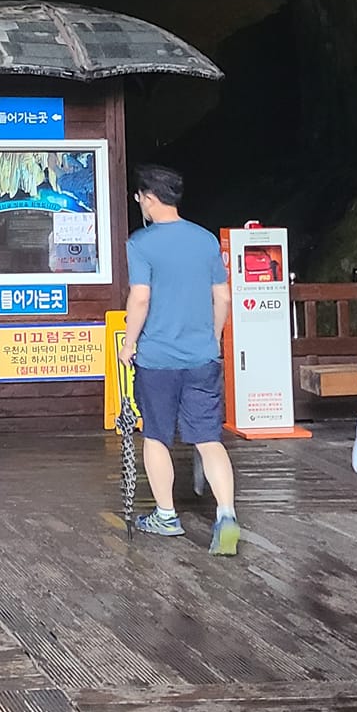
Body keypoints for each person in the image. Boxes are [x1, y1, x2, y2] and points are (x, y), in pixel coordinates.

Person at [124, 163, 240, 554]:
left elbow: (141, 298)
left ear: (149, 199)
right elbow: (222, 296)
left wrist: (128, 344)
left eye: (139, 198)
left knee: (156, 436)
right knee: (208, 438)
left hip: (158, 359)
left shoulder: (141, 243)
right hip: (202, 357)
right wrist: (212, 337)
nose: (140, 203)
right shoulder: (205, 240)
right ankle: (227, 515)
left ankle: (166, 516)